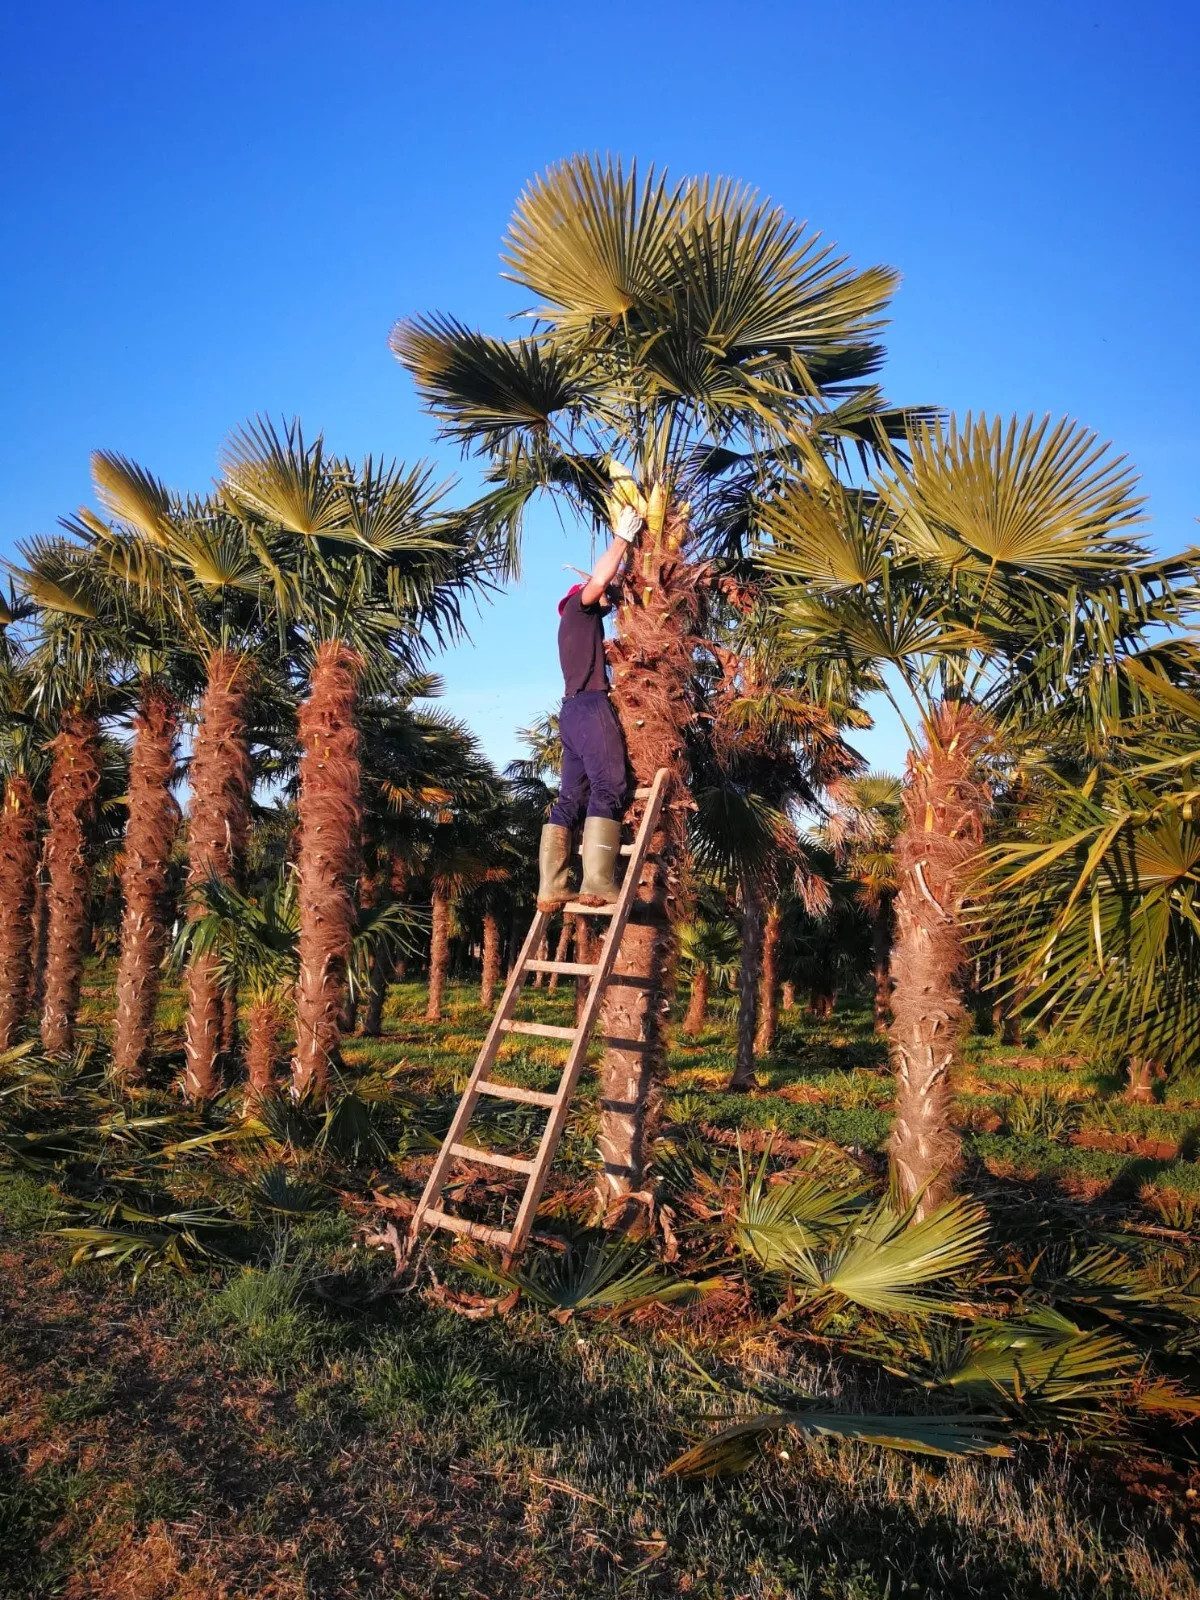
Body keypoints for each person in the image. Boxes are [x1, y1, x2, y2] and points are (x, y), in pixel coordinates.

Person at [537, 505, 643, 911]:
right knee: (609, 786)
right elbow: (598, 582)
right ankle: (597, 883)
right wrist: (623, 538)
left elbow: (606, 594)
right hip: (591, 706)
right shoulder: (578, 610)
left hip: (570, 714)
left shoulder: (571, 629)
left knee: (569, 798)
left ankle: (552, 887)